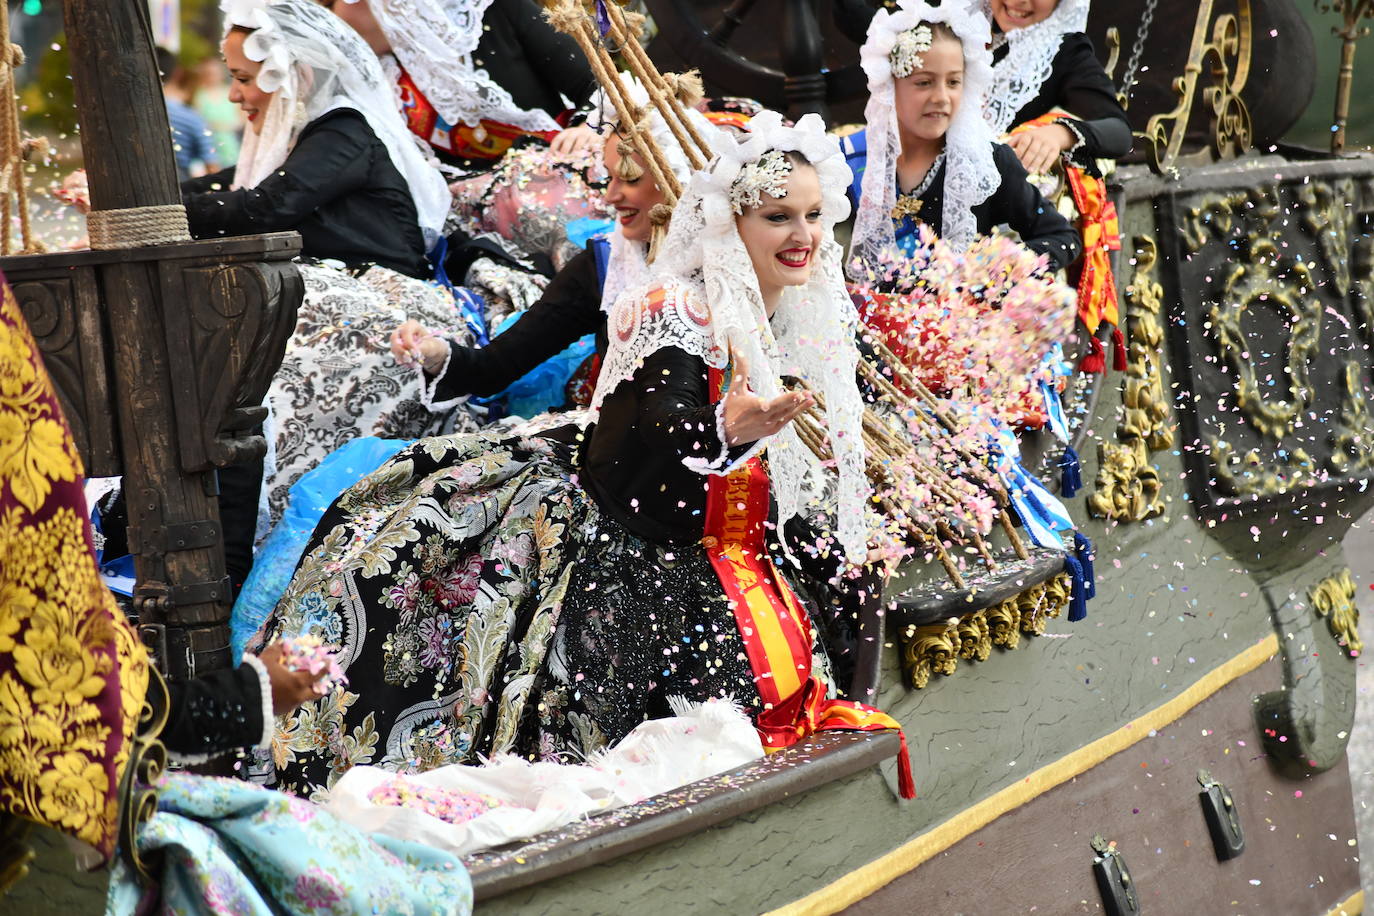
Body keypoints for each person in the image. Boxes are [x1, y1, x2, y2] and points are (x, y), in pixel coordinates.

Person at [251, 111, 913, 799]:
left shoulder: (795, 313)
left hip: (716, 532)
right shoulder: (671, 303)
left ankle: (851, 743)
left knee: (853, 585)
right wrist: (726, 427)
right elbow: (665, 424)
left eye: (812, 215)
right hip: (621, 529)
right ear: (726, 222)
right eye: (779, 216)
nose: (804, 235)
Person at [182, 0, 451, 278]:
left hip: (384, 300)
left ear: (298, 77)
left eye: (244, 79)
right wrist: (160, 200)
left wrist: (169, 213)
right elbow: (233, 181)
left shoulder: (343, 131)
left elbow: (265, 208)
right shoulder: (302, 139)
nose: (233, 95)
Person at [843, 0, 1081, 279]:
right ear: (889, 83)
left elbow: (1061, 236)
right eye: (924, 82)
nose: (942, 97)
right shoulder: (850, 161)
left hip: (962, 319)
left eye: (953, 82)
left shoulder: (987, 163)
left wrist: (1000, 268)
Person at [326, 0, 600, 167]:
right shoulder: (376, 79)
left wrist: (586, 127)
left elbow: (597, 84)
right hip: (471, 226)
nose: (335, 14)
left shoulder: (494, 10)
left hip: (561, 174)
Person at [978, 0, 1131, 175]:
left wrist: (1059, 134)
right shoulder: (954, 26)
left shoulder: (1064, 52)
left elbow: (1119, 132)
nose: (1017, 1)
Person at [155, 46, 220, 181]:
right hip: (180, 189)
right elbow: (212, 165)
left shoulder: (125, 115)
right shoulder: (191, 117)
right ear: (176, 73)